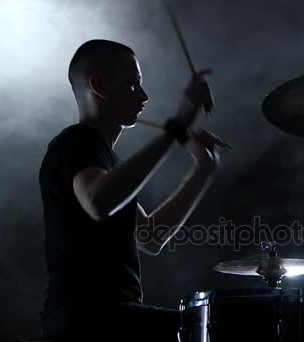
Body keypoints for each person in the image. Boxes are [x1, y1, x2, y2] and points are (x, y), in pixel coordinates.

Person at [38, 39, 224, 340]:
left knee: (205, 326)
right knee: (210, 329)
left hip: (112, 318)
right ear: (100, 85)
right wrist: (176, 125)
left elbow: (149, 237)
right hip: (90, 321)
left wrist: (203, 170)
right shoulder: (76, 142)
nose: (145, 96)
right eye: (134, 84)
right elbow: (98, 201)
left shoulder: (105, 162)